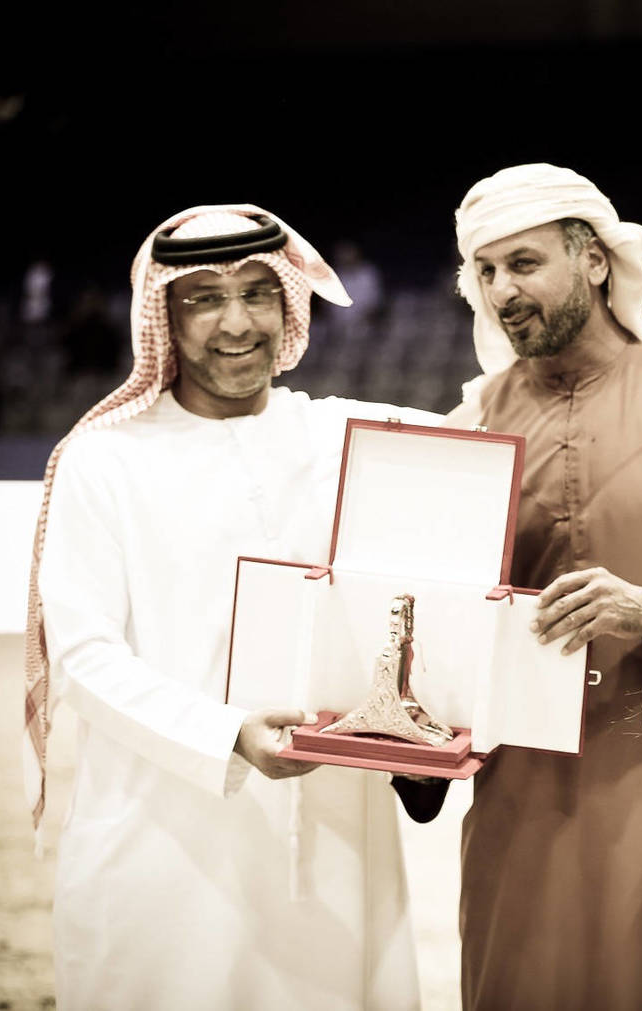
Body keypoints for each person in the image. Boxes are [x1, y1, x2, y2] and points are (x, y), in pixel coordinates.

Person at [399, 163, 642, 1010]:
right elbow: (437, 630)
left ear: (596, 261)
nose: (503, 289)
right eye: (487, 272)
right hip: (524, 807)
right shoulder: (470, 427)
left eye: (526, 263)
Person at [27, 206, 439, 1010]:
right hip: (167, 849)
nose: (237, 322)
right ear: (165, 319)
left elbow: (506, 416)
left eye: (258, 292)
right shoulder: (104, 461)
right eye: (205, 299)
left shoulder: (346, 435)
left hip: (333, 848)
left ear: (290, 305)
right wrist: (229, 736)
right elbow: (83, 656)